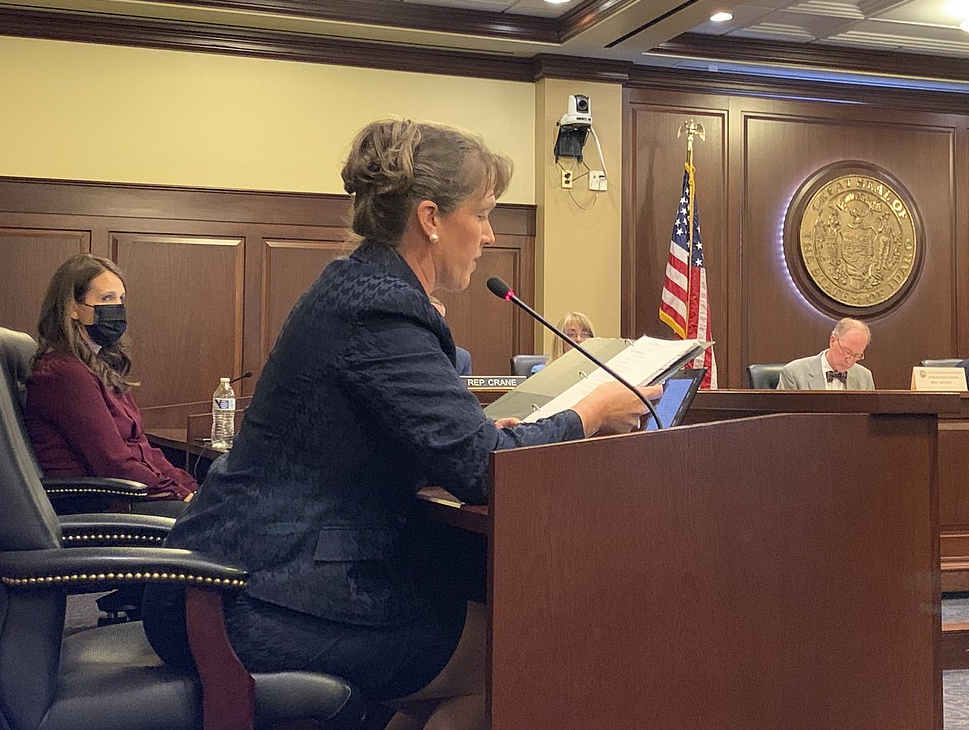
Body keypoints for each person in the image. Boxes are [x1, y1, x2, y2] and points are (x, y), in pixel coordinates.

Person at [141, 119, 658, 730]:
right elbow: (481, 471)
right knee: (518, 659)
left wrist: (497, 436)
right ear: (432, 217)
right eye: (485, 214)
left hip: (248, 574)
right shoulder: (380, 305)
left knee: (485, 642)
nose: (491, 236)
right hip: (247, 595)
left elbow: (411, 442)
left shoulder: (363, 286)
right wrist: (591, 410)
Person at [24, 253, 198, 515]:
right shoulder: (64, 374)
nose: (117, 307)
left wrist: (191, 490)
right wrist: (177, 494)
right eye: (107, 299)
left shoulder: (98, 367)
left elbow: (142, 448)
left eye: (120, 299)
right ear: (72, 307)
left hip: (134, 496)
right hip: (106, 506)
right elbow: (113, 462)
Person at [776, 318, 875, 390]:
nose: (850, 361)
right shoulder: (794, 373)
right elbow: (783, 418)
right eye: (847, 352)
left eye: (857, 355)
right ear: (833, 341)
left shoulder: (864, 377)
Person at [530, 311, 597, 374]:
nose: (579, 339)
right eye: (571, 334)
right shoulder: (541, 372)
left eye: (585, 334)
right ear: (560, 341)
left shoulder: (599, 372)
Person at [429, 295, 472, 375]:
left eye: (439, 318)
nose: (435, 323)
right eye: (430, 317)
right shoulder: (407, 354)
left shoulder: (462, 357)